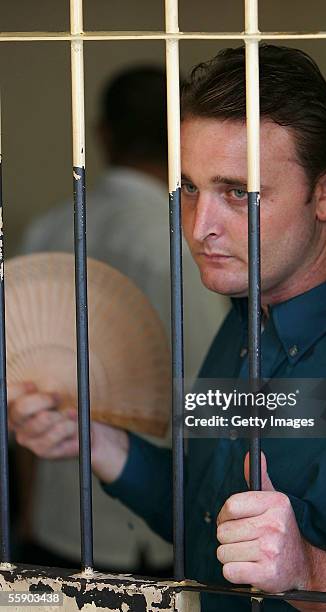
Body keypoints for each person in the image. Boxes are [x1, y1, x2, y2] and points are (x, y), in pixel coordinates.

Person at [8, 45, 326, 611]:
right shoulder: (248, 307)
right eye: (188, 187)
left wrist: (314, 574)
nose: (199, 226)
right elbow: (207, 521)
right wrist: (99, 443)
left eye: (237, 193)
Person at [13, 66, 228, 575]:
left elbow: (16, 387)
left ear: (103, 133)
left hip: (56, 519)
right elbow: (207, 395)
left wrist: (27, 509)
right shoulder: (186, 241)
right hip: (148, 529)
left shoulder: (51, 225)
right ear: (182, 139)